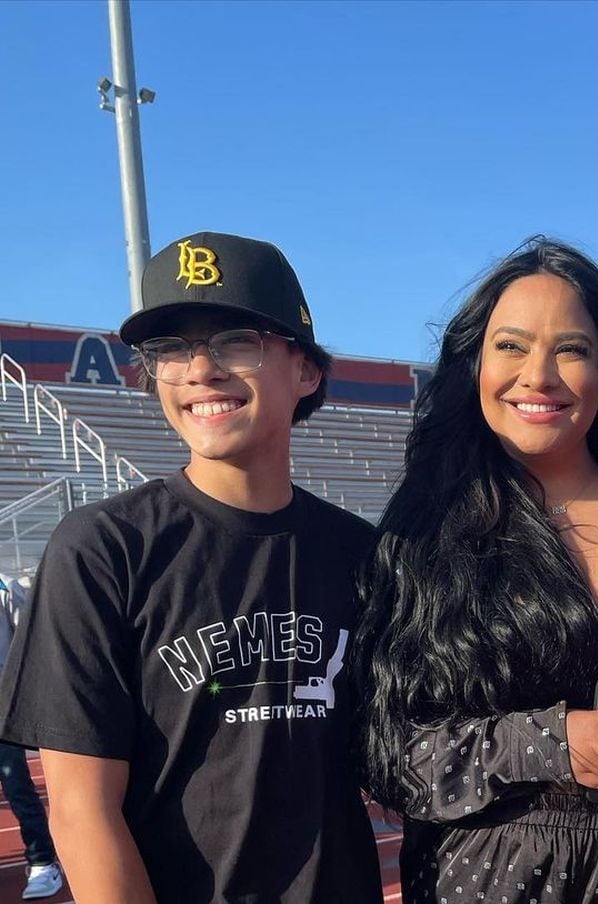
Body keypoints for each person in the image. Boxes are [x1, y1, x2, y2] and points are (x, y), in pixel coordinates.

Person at [0, 232, 383, 902]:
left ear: (307, 369)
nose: (199, 369)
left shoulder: (364, 554)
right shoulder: (101, 549)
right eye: (170, 350)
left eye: (236, 340)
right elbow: (81, 808)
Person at [351, 237, 598, 903]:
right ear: (474, 365)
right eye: (510, 346)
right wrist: (549, 741)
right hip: (488, 882)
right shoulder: (422, 534)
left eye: (571, 348)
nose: (539, 375)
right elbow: (385, 752)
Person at [0, 573, 63, 900]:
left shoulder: (4, 586)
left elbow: (28, 644)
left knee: (18, 789)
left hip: (1, 712)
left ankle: (42, 861)